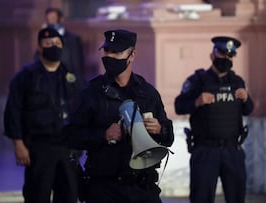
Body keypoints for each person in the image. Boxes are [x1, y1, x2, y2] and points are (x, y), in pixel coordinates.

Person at [64, 29, 174, 203]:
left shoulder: (147, 92)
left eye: (116, 52)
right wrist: (103, 135)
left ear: (132, 55)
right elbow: (70, 136)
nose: (110, 56)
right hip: (104, 188)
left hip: (142, 188)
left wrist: (160, 129)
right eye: (107, 51)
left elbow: (168, 138)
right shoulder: (91, 92)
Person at [4, 27, 84, 203]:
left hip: (67, 148)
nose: (53, 47)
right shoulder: (26, 77)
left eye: (57, 43)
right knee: (37, 196)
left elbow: (81, 111)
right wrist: (18, 144)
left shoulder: (72, 76)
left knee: (69, 195)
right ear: (39, 47)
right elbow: (14, 110)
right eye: (48, 44)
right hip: (39, 148)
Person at [174, 36, 254, 203]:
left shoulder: (238, 82)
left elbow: (248, 110)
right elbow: (179, 106)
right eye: (222, 54)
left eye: (229, 56)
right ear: (212, 55)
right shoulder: (197, 81)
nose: (225, 59)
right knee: (201, 198)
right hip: (205, 150)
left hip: (233, 150)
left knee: (237, 197)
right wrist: (197, 102)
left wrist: (246, 98)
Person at [41, 7, 85, 77]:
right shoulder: (44, 40)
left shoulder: (73, 39)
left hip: (67, 79)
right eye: (49, 20)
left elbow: (77, 65)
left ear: (61, 19)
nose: (51, 22)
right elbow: (38, 60)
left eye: (53, 19)